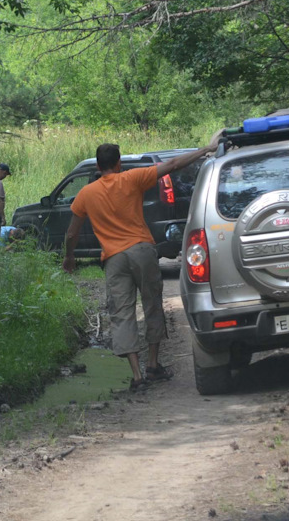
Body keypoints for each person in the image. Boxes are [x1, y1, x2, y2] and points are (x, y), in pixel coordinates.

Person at [62, 132, 223, 392]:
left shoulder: (86, 194)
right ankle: (153, 364)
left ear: (97, 164)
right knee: (151, 305)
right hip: (141, 251)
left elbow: (72, 232)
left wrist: (69, 257)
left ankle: (137, 375)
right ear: (118, 164)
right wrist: (207, 149)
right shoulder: (131, 178)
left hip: (113, 259)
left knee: (122, 313)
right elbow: (172, 165)